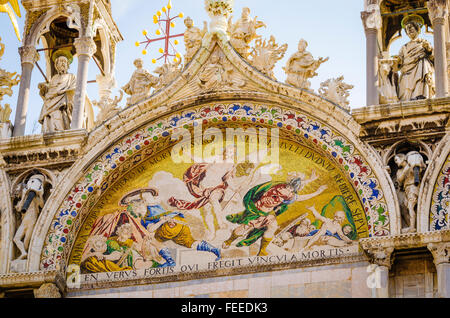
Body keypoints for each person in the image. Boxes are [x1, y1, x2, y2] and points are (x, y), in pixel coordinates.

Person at [222, 171, 327, 256]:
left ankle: (262, 250)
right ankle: (229, 241)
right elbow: (299, 194)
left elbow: (298, 190)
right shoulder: (283, 190)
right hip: (257, 210)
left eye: (292, 189)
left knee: (272, 227)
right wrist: (316, 191)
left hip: (268, 213)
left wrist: (311, 182)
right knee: (245, 227)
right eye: (290, 187)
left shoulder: (284, 188)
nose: (290, 189)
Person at [124, 188, 221, 266]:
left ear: (140, 205)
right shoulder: (151, 207)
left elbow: (151, 228)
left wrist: (131, 198)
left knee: (154, 241)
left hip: (171, 226)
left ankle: (170, 261)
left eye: (138, 209)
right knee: (190, 242)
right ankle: (215, 250)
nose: (140, 212)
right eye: (137, 212)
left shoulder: (147, 212)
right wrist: (162, 221)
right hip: (178, 223)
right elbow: (151, 228)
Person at [396, 14, 435, 101]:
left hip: (419, 67)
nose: (409, 30)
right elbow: (399, 62)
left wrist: (428, 49)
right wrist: (397, 62)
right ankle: (407, 98)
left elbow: (433, 58)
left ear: (417, 28)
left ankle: (420, 94)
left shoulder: (423, 42)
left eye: (411, 27)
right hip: (406, 70)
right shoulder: (404, 47)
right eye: (407, 29)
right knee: (405, 80)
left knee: (423, 63)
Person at [38, 53, 76, 133]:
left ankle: (59, 130)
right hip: (50, 101)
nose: (63, 63)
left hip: (62, 100)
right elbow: (50, 88)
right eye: (61, 61)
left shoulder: (71, 76)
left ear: (67, 65)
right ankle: (48, 130)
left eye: (65, 62)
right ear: (56, 65)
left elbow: (74, 89)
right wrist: (44, 87)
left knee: (58, 115)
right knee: (49, 116)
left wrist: (61, 92)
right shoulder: (54, 78)